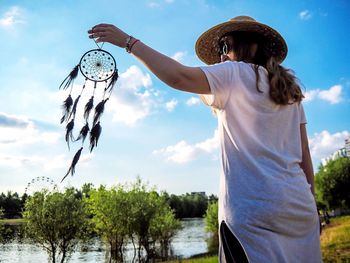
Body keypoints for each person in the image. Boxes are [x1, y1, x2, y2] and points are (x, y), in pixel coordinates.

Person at [89, 15, 322, 263]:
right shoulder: (289, 89)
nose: (221, 55)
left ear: (250, 46)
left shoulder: (235, 74)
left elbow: (178, 76)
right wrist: (313, 203)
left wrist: (128, 42)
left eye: (226, 46)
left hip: (253, 214)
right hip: (300, 208)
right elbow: (304, 151)